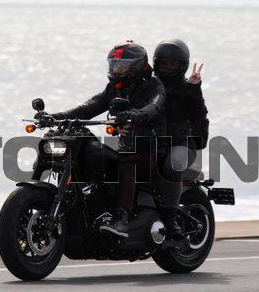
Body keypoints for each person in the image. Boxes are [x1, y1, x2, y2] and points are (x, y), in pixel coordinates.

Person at [40, 41, 166, 238]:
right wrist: (53, 117)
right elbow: (86, 108)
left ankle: (122, 218)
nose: (116, 69)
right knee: (92, 152)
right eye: (113, 65)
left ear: (136, 66)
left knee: (127, 165)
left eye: (121, 65)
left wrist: (136, 114)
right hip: (127, 149)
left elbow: (155, 106)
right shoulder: (114, 89)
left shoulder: (154, 86)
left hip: (152, 150)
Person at [153, 39, 209, 241]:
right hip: (153, 142)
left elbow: (199, 113)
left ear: (182, 66)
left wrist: (194, 88)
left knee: (173, 165)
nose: (168, 68)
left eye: (173, 64)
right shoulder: (149, 86)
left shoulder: (187, 89)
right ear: (156, 63)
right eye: (164, 63)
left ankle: (170, 220)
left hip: (181, 143)